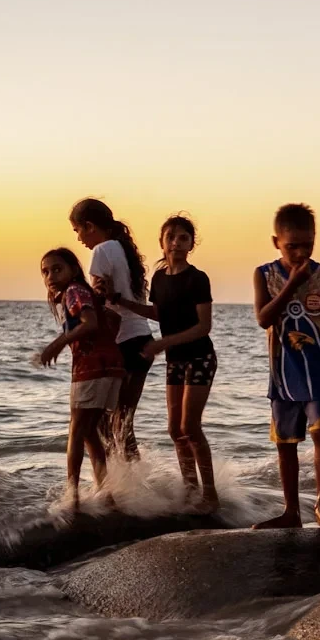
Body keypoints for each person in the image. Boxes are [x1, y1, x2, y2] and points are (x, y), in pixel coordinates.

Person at [108, 214, 220, 514]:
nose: (176, 242)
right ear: (162, 242)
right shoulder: (159, 278)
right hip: (176, 360)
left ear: (191, 244)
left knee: (189, 427)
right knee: (174, 429)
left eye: (183, 238)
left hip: (200, 357)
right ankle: (190, 491)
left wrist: (162, 343)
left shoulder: (198, 279)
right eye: (171, 237)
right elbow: (158, 313)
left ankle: (210, 495)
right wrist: (121, 301)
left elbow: (204, 327)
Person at [251, 203, 320, 530]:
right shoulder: (265, 274)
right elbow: (264, 319)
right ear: (276, 242)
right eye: (292, 246)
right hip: (283, 374)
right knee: (285, 442)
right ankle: (291, 510)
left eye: (308, 245)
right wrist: (291, 284)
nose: (301, 253)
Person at [34, 247, 120, 513]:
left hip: (92, 367)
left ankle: (72, 498)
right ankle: (106, 494)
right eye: (45, 272)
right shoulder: (83, 292)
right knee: (90, 432)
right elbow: (110, 319)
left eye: (57, 269)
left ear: (73, 269)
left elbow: (90, 322)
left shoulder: (74, 291)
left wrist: (58, 344)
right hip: (112, 366)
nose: (50, 276)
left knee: (76, 430)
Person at [68, 198, 154, 463]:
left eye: (78, 230)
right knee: (122, 422)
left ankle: (121, 481)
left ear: (90, 226)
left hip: (123, 342)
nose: (79, 238)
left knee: (109, 424)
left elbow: (99, 299)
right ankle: (132, 479)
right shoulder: (124, 249)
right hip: (143, 340)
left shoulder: (102, 250)